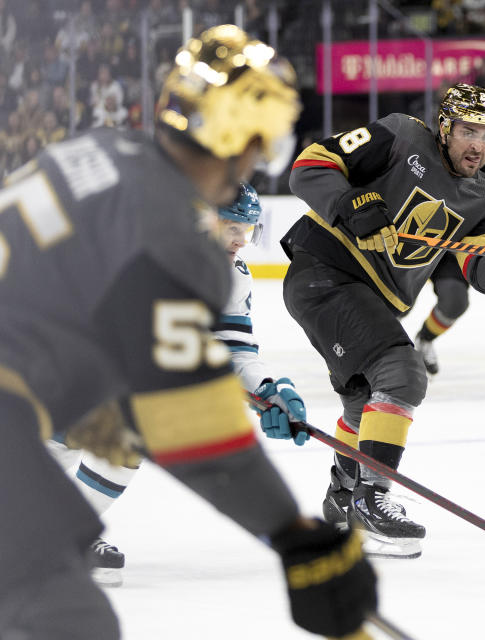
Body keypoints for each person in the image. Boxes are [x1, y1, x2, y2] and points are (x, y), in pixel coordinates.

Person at [0, 25, 375, 640]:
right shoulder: (174, 235)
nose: (259, 161)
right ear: (235, 135)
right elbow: (188, 421)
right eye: (260, 144)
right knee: (66, 621)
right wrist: (293, 535)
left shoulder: (98, 151)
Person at [280, 83, 485, 559]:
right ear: (444, 127)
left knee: (364, 403)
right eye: (467, 130)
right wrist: (352, 205)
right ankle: (371, 499)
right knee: (402, 372)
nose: (477, 144)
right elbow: (310, 165)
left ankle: (343, 491)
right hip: (325, 272)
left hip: (370, 298)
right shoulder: (400, 136)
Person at [44, 182, 310, 589]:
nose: (241, 240)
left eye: (248, 229)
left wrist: (270, 390)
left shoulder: (233, 278)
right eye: (231, 225)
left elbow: (234, 349)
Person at [412, 157, 485, 375]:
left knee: (455, 302)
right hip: (413, 238)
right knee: (393, 303)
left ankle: (424, 340)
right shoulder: (426, 155)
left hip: (453, 254)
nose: (476, 144)